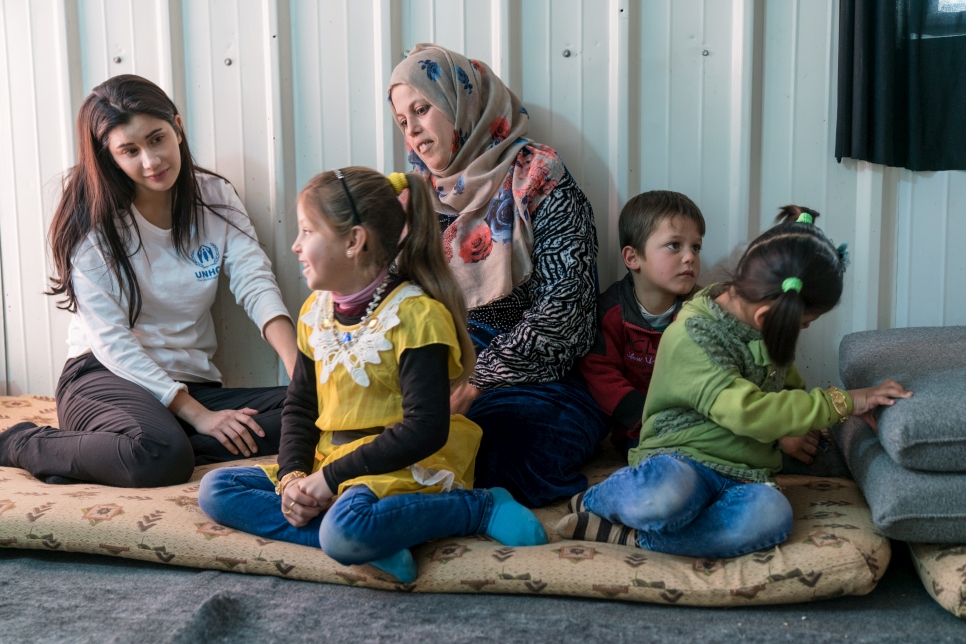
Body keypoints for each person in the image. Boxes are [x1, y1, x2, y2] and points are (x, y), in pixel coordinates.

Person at [198, 167, 548, 584]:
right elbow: (300, 405)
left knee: (347, 530)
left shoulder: (415, 316)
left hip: (398, 464)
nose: (294, 245)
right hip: (332, 460)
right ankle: (372, 537)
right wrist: (293, 475)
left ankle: (479, 507)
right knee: (216, 490)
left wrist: (328, 481)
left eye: (307, 231)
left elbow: (425, 429)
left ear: (354, 242)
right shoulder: (314, 313)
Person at [556, 207, 912, 558]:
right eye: (803, 324)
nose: (802, 331)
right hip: (683, 460)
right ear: (767, 314)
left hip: (745, 476)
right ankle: (596, 500)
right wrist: (845, 402)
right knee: (666, 498)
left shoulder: (766, 328)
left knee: (771, 518)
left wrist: (787, 432)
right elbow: (748, 411)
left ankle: (635, 539)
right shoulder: (693, 335)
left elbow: (786, 388)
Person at [0, 75, 297, 487]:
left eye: (157, 139)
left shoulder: (215, 197)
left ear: (177, 126)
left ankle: (140, 443)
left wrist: (297, 367)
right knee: (160, 457)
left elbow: (254, 281)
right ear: (110, 158)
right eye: (130, 150)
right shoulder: (93, 226)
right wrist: (200, 416)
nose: (151, 161)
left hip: (192, 383)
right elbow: (111, 341)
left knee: (317, 411)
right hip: (103, 377)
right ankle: (22, 442)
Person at [388, 44, 605, 507]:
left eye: (422, 110)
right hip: (436, 371)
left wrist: (474, 383)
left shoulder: (538, 178)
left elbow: (568, 311)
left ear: (462, 102)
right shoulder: (413, 201)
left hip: (534, 380)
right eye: (403, 122)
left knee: (495, 455)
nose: (414, 133)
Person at [578, 191, 704, 456]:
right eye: (674, 245)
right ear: (632, 258)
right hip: (640, 429)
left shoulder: (704, 309)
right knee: (666, 462)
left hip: (703, 422)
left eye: (696, 247)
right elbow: (601, 374)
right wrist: (644, 416)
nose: (690, 257)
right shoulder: (610, 312)